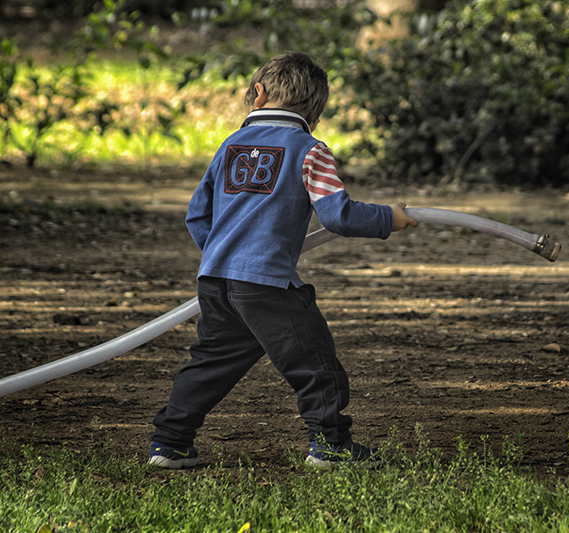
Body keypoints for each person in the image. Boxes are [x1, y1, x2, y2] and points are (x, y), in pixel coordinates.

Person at [148, 51, 418, 469]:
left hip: (216, 280)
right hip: (266, 286)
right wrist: (390, 218)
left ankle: (170, 444)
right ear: (317, 112)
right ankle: (330, 445)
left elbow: (197, 215)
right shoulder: (310, 150)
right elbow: (337, 215)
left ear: (257, 94)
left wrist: (226, 256)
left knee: (210, 363)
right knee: (315, 363)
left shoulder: (230, 147)